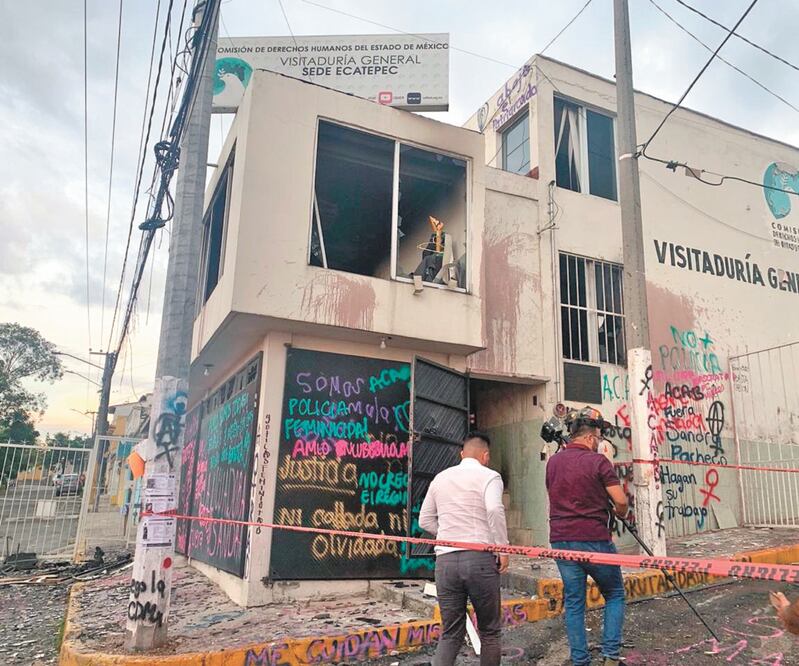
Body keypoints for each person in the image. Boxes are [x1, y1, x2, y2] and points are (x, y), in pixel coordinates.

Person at [545, 407, 629, 666]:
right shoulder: (598, 462)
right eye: (599, 437)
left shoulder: (553, 462)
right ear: (592, 437)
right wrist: (617, 510)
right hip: (594, 540)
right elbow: (621, 502)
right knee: (614, 593)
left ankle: (580, 661)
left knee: (574, 602)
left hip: (561, 540)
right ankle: (611, 657)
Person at [419, 431, 509, 666]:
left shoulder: (440, 478)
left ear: (462, 454)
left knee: (450, 633)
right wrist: (502, 548)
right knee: (490, 632)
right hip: (479, 560)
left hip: (445, 563)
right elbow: (493, 509)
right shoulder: (490, 476)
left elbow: (424, 521)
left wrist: (448, 534)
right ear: (485, 455)